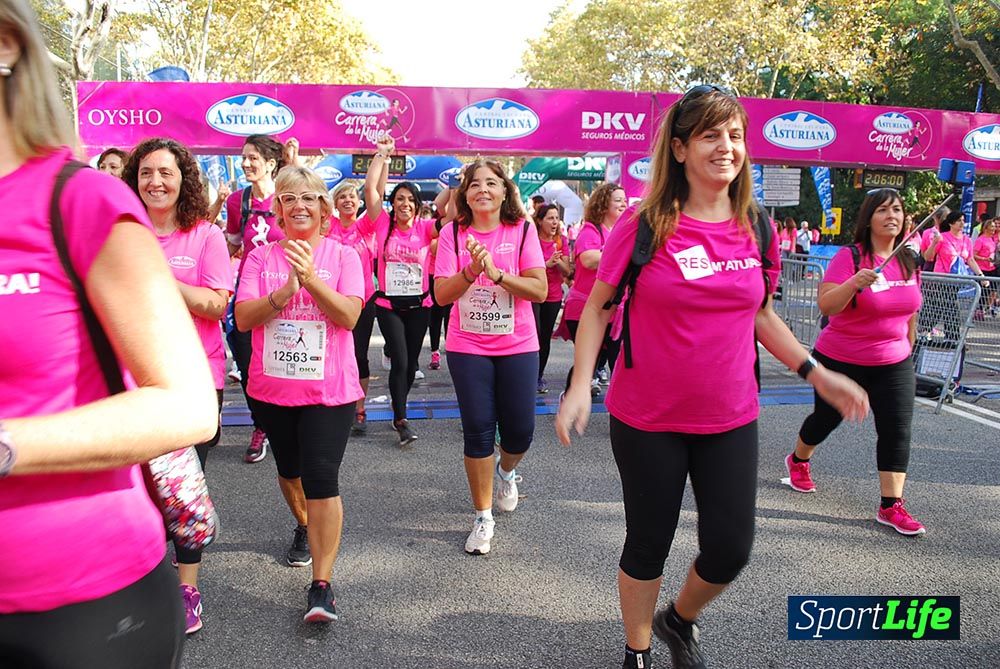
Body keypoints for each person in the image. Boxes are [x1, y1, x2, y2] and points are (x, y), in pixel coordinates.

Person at [555, 85, 868, 669]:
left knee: (730, 549)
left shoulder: (756, 226)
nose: (727, 147)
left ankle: (680, 618)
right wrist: (578, 386)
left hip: (730, 414)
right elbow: (598, 307)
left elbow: (761, 312)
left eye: (735, 135)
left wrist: (815, 373)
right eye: (710, 135)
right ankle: (639, 649)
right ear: (678, 149)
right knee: (648, 542)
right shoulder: (644, 223)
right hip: (647, 417)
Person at [0, 2, 217, 666]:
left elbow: (187, 404)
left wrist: (6, 444)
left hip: (81, 608)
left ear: (5, 44)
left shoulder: (78, 199)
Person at [235, 166, 364, 622]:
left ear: (324, 208)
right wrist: (284, 291)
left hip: (330, 391)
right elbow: (244, 319)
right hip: (272, 389)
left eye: (310, 197)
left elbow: (349, 315)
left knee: (321, 479)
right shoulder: (259, 258)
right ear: (279, 210)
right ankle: (305, 526)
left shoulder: (344, 255)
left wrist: (310, 279)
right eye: (290, 198)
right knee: (289, 472)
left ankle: (322, 586)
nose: (300, 205)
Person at [123, 138, 232, 634]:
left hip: (192, 380)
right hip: (131, 381)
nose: (155, 182)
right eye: (146, 173)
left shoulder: (204, 234)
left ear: (183, 178)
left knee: (183, 490)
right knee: (138, 491)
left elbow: (215, 305)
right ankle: (142, 583)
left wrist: (157, 275)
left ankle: (187, 588)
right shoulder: (122, 232)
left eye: (165, 172)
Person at [785, 189, 926, 535]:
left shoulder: (908, 260)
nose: (891, 215)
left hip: (894, 361)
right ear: (869, 219)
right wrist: (852, 283)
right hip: (841, 358)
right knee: (825, 419)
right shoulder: (850, 257)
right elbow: (827, 306)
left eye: (897, 209)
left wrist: (910, 341)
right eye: (883, 210)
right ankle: (798, 461)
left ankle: (891, 505)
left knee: (896, 429)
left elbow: (911, 307)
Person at [434, 159, 547, 555]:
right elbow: (441, 295)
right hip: (468, 346)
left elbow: (540, 290)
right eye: (475, 184)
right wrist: (470, 271)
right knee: (479, 429)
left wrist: (498, 275)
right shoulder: (452, 233)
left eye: (491, 183)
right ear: (465, 194)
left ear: (504, 191)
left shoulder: (522, 230)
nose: (483, 189)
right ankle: (483, 516)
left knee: (520, 431)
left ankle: (507, 470)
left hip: (517, 344)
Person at [362, 134, 444, 446]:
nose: (405, 204)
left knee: (410, 365)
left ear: (417, 205)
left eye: (410, 200)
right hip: (389, 307)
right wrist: (382, 155)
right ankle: (401, 418)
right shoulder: (383, 224)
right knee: (399, 358)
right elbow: (372, 190)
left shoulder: (424, 228)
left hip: (419, 306)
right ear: (393, 204)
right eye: (399, 199)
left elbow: (447, 211)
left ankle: (400, 400)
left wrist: (456, 181)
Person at [224, 134, 286, 464]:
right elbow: (232, 245)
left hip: (284, 296)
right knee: (249, 370)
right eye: (243, 157)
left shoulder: (288, 197)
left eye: (253, 158)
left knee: (282, 363)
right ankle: (260, 426)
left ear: (271, 163)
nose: (246, 163)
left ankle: (285, 424)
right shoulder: (237, 201)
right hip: (248, 299)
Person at [563, 182, 628, 395]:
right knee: (587, 363)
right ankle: (571, 397)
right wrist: (622, 254)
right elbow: (589, 259)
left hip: (614, 311)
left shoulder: (621, 232)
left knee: (618, 362)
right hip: (585, 308)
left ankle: (621, 408)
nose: (623, 204)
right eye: (617, 200)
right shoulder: (591, 230)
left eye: (624, 200)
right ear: (603, 205)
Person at [327, 181, 377, 435]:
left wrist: (382, 157)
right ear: (334, 204)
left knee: (359, 355)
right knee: (333, 354)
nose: (348, 200)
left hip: (362, 301)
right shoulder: (328, 226)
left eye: (352, 197)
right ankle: (335, 404)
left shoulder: (366, 227)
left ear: (359, 203)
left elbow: (373, 193)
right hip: (331, 301)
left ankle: (359, 407)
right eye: (342, 197)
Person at [534, 203, 571, 393]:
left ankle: (538, 376)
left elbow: (568, 271)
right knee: (534, 334)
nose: (554, 222)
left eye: (557, 218)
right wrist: (546, 263)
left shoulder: (560, 241)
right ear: (540, 221)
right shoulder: (532, 239)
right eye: (550, 218)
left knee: (544, 337)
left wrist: (557, 264)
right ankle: (528, 374)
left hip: (553, 295)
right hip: (533, 293)